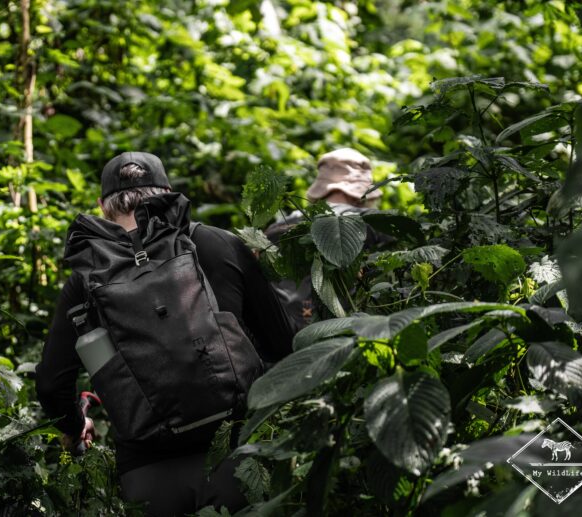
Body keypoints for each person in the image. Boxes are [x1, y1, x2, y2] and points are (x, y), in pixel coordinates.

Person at [36, 151, 295, 516]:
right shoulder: (218, 244)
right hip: (238, 453)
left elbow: (50, 383)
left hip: (148, 469)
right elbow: (283, 344)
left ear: (102, 206)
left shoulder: (85, 279)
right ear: (168, 192)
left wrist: (76, 423)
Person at [265, 148, 384, 328]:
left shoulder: (282, 224)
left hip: (277, 328)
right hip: (336, 330)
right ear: (363, 191)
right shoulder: (371, 221)